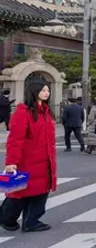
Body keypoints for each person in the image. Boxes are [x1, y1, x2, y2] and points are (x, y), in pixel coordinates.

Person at [1, 80, 56, 232]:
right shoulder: (23, 112)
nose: (47, 93)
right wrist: (11, 161)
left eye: (48, 90)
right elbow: (15, 140)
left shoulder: (46, 111)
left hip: (45, 161)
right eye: (43, 90)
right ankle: (7, 219)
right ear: (34, 91)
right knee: (18, 192)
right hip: (27, 161)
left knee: (40, 192)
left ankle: (31, 221)